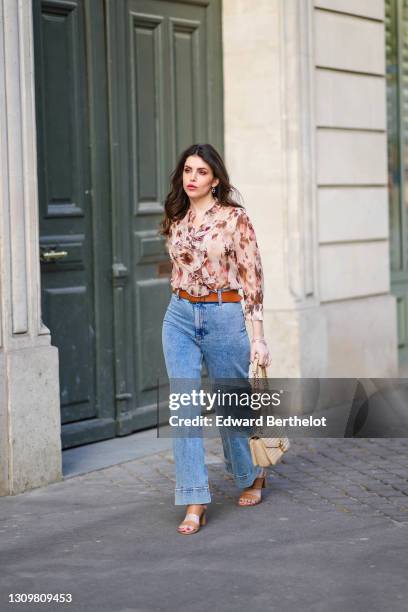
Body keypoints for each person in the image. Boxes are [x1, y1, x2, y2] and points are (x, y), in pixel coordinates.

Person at [159, 143, 271, 534]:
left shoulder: (234, 219)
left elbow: (252, 278)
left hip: (225, 316)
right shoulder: (176, 216)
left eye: (201, 172)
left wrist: (258, 337)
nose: (192, 178)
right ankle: (194, 499)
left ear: (216, 179)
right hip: (179, 317)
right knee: (184, 407)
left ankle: (251, 474)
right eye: (187, 170)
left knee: (231, 406)